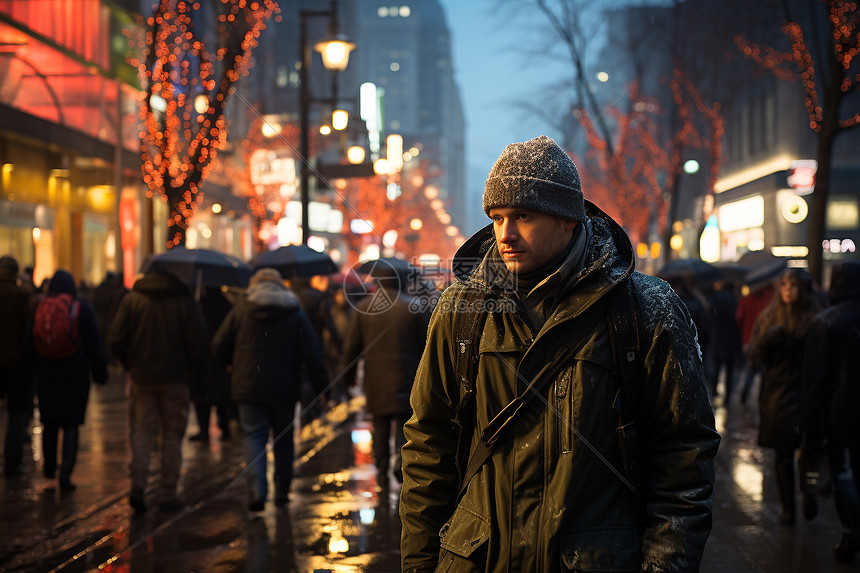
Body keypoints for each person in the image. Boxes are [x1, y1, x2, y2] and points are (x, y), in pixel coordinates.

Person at [400, 135, 720, 572]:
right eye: (497, 217)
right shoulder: (461, 311)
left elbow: (684, 459)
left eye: (524, 216)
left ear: (569, 219)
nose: (504, 234)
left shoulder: (645, 309)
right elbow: (427, 449)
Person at [212, 268, 329, 510]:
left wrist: (226, 369)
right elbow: (313, 352)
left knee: (254, 436)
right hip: (284, 387)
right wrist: (322, 388)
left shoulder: (241, 309)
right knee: (284, 439)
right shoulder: (294, 312)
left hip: (248, 387)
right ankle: (282, 492)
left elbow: (218, 347)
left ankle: (257, 491)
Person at [108, 270, 209, 513]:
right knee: (173, 434)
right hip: (176, 379)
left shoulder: (133, 300)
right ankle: (167, 490)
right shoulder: (184, 301)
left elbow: (115, 339)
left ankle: (138, 485)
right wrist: (192, 371)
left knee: (142, 430)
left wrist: (130, 363)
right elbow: (199, 342)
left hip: (143, 377)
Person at [341, 265, 430, 490]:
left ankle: (380, 468)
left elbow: (353, 348)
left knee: (379, 424)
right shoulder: (414, 306)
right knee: (404, 422)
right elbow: (426, 346)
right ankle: (400, 464)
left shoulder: (363, 308)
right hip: (407, 374)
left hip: (376, 377)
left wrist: (347, 377)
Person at [22, 270, 108, 491]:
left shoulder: (40, 307)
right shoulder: (81, 308)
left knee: (49, 423)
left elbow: (29, 342)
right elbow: (93, 344)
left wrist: (26, 372)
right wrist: (100, 373)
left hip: (46, 371)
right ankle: (66, 474)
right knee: (71, 424)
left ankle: (49, 468)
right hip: (74, 372)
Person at [747, 268, 820, 526]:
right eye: (784, 284)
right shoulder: (770, 317)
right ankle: (788, 507)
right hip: (778, 395)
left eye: (793, 284)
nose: (788, 289)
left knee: (809, 452)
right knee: (783, 455)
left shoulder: (814, 318)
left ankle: (810, 492)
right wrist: (767, 341)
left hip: (808, 394)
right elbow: (754, 356)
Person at [803, 260, 860, 561]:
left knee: (840, 470)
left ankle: (853, 528)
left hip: (839, 410)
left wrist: (810, 421)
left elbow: (817, 378)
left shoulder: (826, 321)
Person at [0, 256, 35, 476]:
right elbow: (30, 330)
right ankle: (12, 462)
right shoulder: (22, 296)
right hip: (16, 364)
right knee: (17, 413)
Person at [734, 281, 775, 404]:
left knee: (750, 369)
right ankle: (762, 398)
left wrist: (744, 335)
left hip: (748, 341)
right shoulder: (770, 298)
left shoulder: (746, 300)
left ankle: (744, 395)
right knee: (763, 372)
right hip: (765, 340)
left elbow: (738, 318)